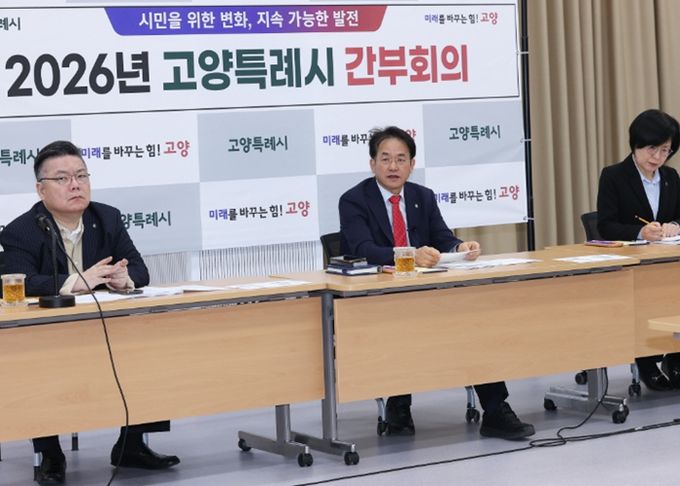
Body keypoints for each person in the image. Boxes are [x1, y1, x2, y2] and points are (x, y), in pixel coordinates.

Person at [0, 141, 180, 484]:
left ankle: (131, 445)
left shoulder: (106, 218)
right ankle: (50, 454)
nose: (75, 185)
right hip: (47, 333)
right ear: (41, 189)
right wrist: (75, 282)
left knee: (146, 350)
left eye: (81, 176)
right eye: (62, 178)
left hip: (105, 327)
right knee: (40, 365)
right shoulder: (21, 230)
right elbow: (19, 282)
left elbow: (139, 269)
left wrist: (126, 278)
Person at [338, 126, 535, 440]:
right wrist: (409, 255)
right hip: (380, 297)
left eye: (401, 159)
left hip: (428, 292)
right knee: (403, 325)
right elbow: (362, 249)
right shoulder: (353, 200)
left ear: (412, 164)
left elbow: (442, 238)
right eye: (385, 159)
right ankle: (399, 404)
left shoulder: (422, 197)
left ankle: (496, 410)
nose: (393, 166)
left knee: (475, 323)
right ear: (372, 163)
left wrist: (460, 247)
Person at [597, 108, 680, 391]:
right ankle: (646, 361)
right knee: (647, 299)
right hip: (632, 265)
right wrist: (640, 232)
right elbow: (606, 225)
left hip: (667, 261)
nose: (657, 157)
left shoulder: (671, 176)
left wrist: (674, 226)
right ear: (636, 144)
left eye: (665, 150)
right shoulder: (614, 176)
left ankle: (675, 357)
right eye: (651, 149)